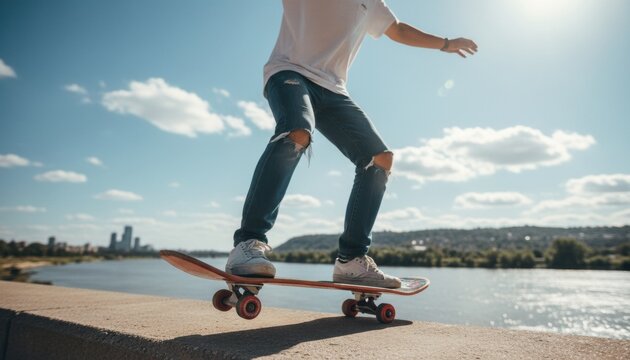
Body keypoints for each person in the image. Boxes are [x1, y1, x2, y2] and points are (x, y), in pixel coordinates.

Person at [226, 0, 477, 288]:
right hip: (288, 73)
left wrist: (446, 44)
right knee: (297, 132)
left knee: (379, 158)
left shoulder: (371, 2)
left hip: (333, 90)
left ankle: (352, 260)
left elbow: (398, 30)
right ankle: (248, 242)